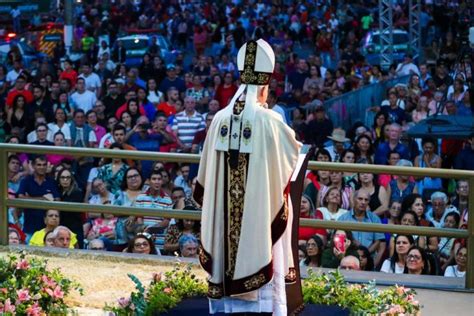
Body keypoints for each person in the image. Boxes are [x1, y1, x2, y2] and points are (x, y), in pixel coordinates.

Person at [194, 39, 301, 314]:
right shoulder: (270, 121)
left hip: (224, 217)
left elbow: (205, 177)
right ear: (264, 87)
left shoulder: (218, 118)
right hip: (257, 214)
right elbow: (291, 159)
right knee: (261, 244)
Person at [338, 190, 386, 267]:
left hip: (369, 259)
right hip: (347, 259)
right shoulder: (343, 218)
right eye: (360, 199)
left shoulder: (375, 219)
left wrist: (365, 254)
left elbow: (378, 241)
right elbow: (339, 241)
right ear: (354, 200)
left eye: (366, 200)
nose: (363, 202)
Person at [17, 156, 60, 241]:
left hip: (48, 229)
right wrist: (43, 199)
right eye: (39, 165)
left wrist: (29, 198)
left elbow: (57, 200)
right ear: (33, 166)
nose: (42, 167)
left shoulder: (51, 182)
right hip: (30, 226)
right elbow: (20, 197)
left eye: (44, 165)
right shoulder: (26, 181)